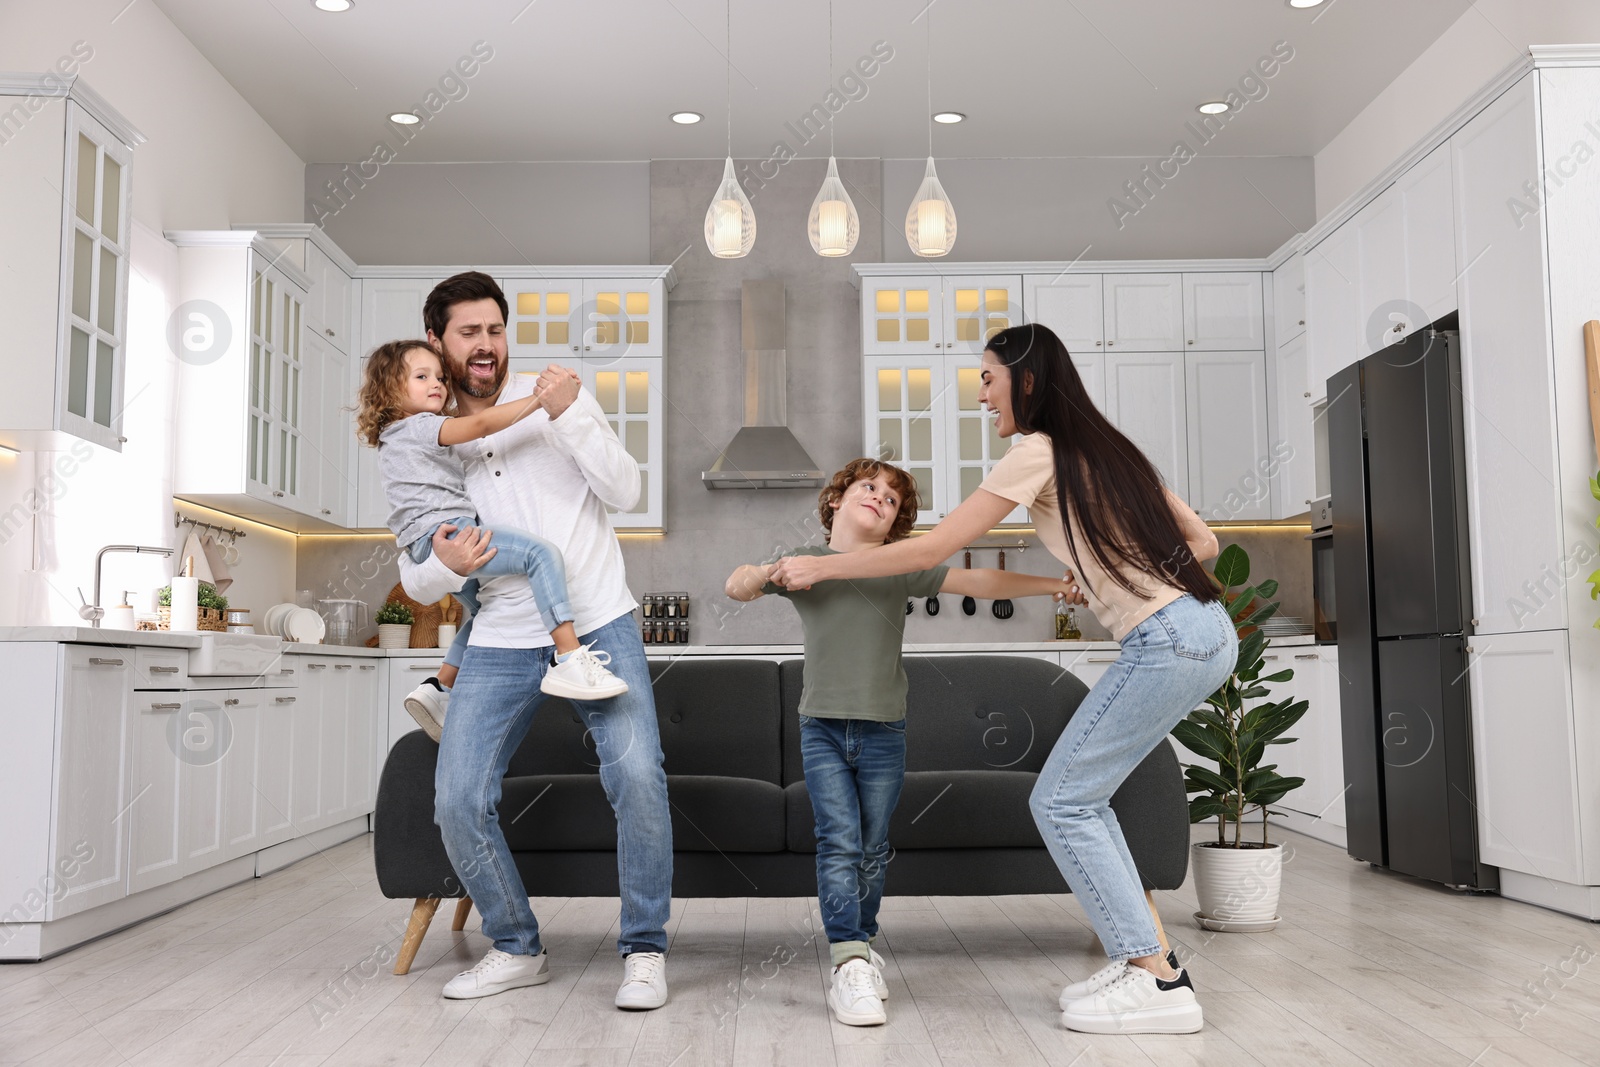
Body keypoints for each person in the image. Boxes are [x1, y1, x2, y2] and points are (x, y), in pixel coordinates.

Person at [770, 323, 1236, 1036]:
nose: (980, 392)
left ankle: (1156, 975)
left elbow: (932, 548)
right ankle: (1147, 961)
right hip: (1202, 630)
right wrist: (1107, 567)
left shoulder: (1038, 450)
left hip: (1165, 638)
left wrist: (824, 565)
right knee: (1083, 796)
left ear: (1024, 378)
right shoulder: (1109, 449)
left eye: (987, 377)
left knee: (1062, 799)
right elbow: (1201, 543)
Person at [396, 272, 673, 1009]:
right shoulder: (424, 428)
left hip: (596, 623)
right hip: (498, 634)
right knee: (457, 797)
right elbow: (412, 562)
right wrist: (439, 567)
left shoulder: (557, 399)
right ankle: (516, 944)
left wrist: (571, 413)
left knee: (639, 777)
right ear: (437, 340)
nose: (485, 345)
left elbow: (625, 490)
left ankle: (644, 950)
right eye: (468, 333)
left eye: (494, 329)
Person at [728, 458, 1081, 1028]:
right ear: (837, 501)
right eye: (869, 488)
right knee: (838, 841)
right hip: (820, 728)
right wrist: (772, 569)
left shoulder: (898, 568)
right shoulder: (808, 566)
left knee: (872, 847)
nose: (879, 498)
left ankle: (861, 947)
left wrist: (1056, 585)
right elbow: (736, 585)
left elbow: (981, 582)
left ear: (895, 528)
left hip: (884, 732)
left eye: (891, 499)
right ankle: (847, 960)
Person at [356, 339, 629, 743]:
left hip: (427, 543)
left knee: (483, 611)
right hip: (450, 535)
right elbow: (482, 425)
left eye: (439, 377)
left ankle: (439, 687)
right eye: (421, 377)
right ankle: (570, 657)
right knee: (541, 554)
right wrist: (540, 402)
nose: (437, 384)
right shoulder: (421, 427)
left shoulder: (392, 438)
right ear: (391, 391)